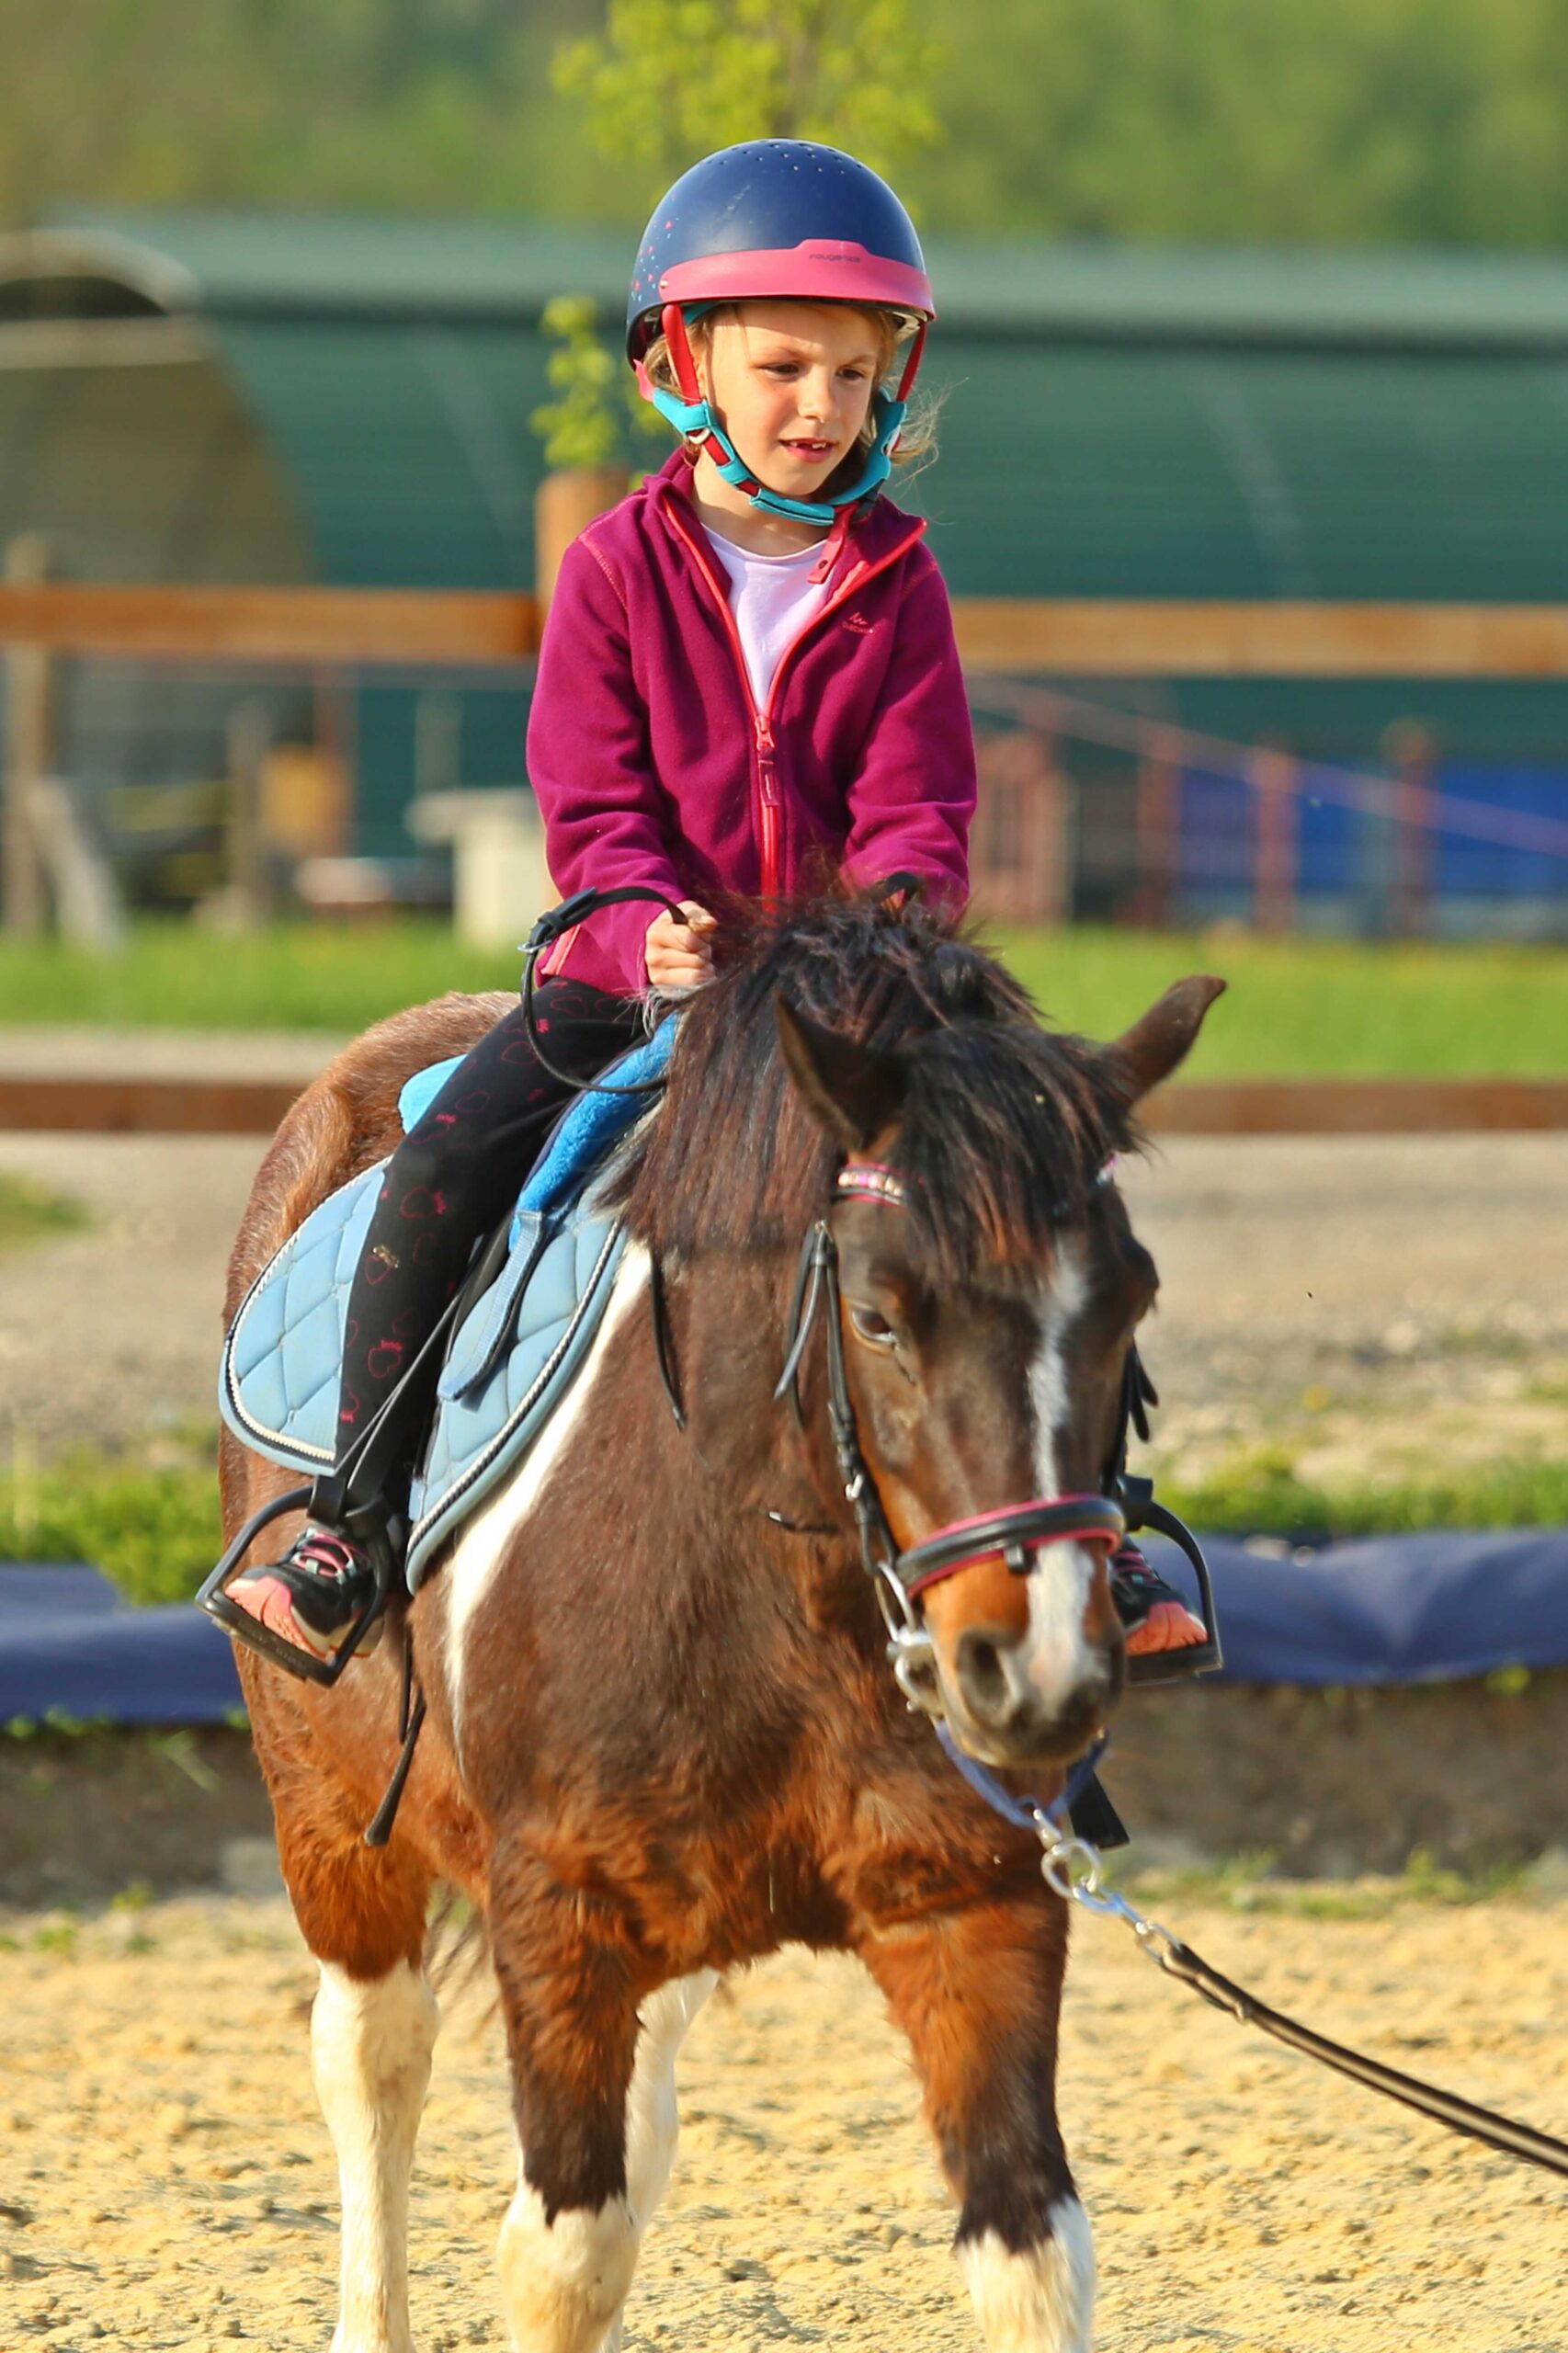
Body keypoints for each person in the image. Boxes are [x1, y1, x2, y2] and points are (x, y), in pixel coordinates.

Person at [222, 138, 1207, 1677]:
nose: (819, 406)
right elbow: (591, 797)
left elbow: (918, 813)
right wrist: (636, 924)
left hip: (846, 1000)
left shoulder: (901, 583)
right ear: (686, 363)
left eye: (850, 372)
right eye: (782, 367)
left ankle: (1103, 1525)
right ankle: (351, 1512)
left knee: (1039, 1182)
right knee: (451, 1162)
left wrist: (877, 946)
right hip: (634, 968)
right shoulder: (611, 569)